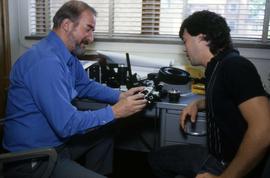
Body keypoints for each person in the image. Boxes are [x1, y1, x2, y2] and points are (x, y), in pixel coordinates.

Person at [2, 1, 147, 178]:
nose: (91, 38)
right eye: (88, 29)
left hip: (60, 145)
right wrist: (115, 112)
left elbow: (83, 85)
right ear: (66, 25)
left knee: (106, 130)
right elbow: (67, 125)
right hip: (34, 160)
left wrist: (119, 96)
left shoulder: (66, 54)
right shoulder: (46, 62)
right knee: (109, 119)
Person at [148, 10, 270, 178]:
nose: (184, 49)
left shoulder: (235, 66)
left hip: (230, 165)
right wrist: (198, 104)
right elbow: (229, 97)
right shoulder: (216, 67)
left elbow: (264, 131)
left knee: (156, 159)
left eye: (185, 41)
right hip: (218, 156)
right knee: (157, 157)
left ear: (201, 37)